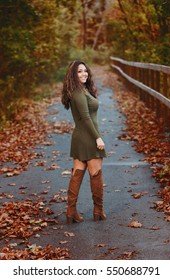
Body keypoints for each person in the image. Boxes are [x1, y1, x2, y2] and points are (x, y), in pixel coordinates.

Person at [61, 60, 106, 224]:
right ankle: (98, 211)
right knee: (96, 173)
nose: (84, 74)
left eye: (85, 71)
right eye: (79, 71)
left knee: (77, 173)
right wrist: (97, 138)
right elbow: (86, 118)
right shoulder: (79, 93)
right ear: (73, 74)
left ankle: (71, 212)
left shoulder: (80, 91)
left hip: (80, 137)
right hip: (88, 137)